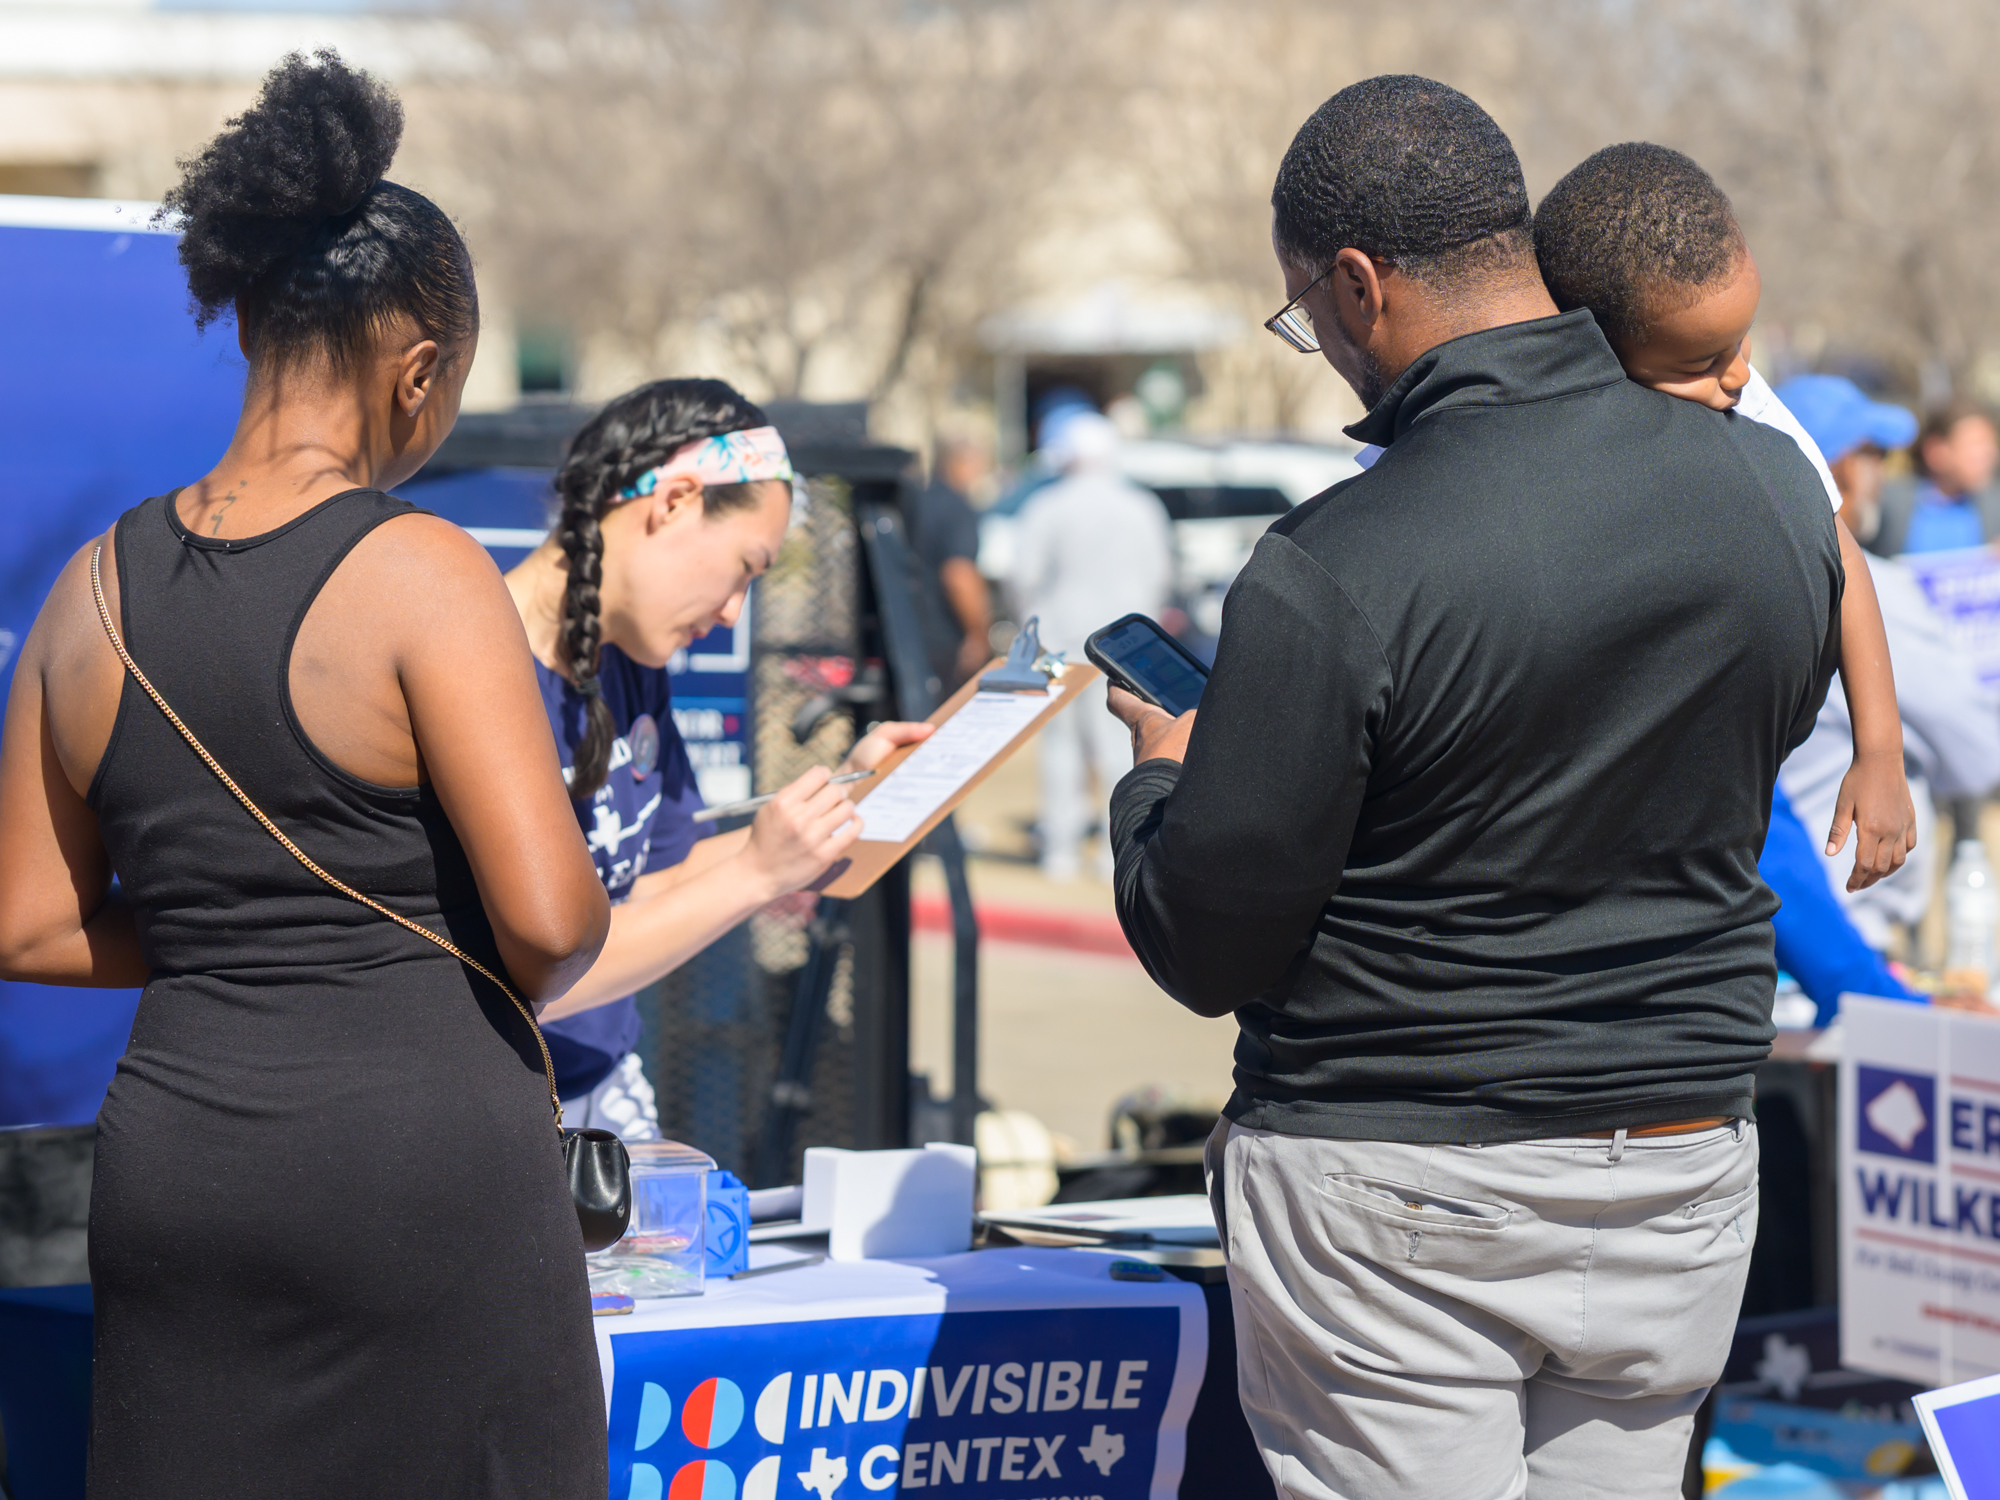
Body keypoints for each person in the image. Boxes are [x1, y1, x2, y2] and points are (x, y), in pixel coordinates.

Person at [1108, 76, 1839, 1498]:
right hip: (1679, 1167)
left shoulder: (1339, 564)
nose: (1317, 345)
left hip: (1399, 1181)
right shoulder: (1772, 495)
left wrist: (1156, 783)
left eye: (1302, 314)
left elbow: (1215, 940)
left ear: (1359, 286)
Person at [0, 53, 613, 1495]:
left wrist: (238, 934)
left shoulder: (89, 591)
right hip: (414, 1173)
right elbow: (551, 924)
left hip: (179, 1171)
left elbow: (26, 923)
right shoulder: (421, 571)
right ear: (416, 369)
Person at [503, 379, 931, 1134]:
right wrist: (758, 871)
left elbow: (653, 875)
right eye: (743, 567)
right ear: (672, 503)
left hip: (599, 1089)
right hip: (493, 1104)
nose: (735, 610)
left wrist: (841, 812)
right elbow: (533, 976)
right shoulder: (476, 672)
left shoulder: (626, 661)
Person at [1533, 142, 1915, 893]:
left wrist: (1881, 753)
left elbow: (1841, 557)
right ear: (1594, 349)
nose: (1738, 375)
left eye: (1741, 343)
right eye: (1703, 364)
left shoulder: (1739, 393)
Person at [1773, 374, 2000, 951]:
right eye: (1868, 453)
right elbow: (1980, 750)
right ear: (1830, 468)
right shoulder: (1878, 594)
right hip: (1838, 935)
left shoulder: (1756, 572)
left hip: (1774, 924)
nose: (1878, 471)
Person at [1010, 410, 1171, 882]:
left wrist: (1031, 627)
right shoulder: (1140, 506)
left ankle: (1058, 851)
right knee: (1121, 747)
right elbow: (1161, 574)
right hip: (1127, 649)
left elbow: (1022, 576)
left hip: (1059, 643)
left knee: (1060, 747)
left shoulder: (1047, 505)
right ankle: (1114, 851)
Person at [909, 433, 994, 692]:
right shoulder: (957, 508)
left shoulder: (917, 501)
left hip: (911, 631)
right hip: (946, 635)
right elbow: (959, 575)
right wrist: (977, 634)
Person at [1869, 402, 2000, 556]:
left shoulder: (1992, 506)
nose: (1989, 454)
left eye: (1991, 445)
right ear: (1936, 452)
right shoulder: (1887, 503)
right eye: (1976, 445)